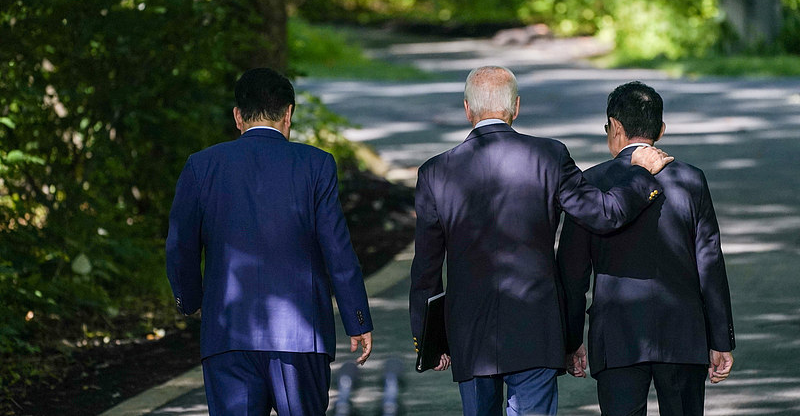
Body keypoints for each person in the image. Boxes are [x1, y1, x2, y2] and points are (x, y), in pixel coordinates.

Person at [409, 66, 673, 416]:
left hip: (470, 334)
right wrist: (640, 175)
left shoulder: (435, 172)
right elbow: (603, 214)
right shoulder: (550, 155)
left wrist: (430, 341)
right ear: (516, 107)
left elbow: (426, 269)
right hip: (536, 328)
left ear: (467, 109)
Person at [166, 67, 373, 416]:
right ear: (288, 113)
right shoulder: (316, 165)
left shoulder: (201, 166)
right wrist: (358, 320)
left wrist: (190, 300)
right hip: (300, 337)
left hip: (228, 333)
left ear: (238, 116)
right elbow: (337, 250)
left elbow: (180, 246)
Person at [557, 81, 735, 416]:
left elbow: (572, 272)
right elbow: (710, 263)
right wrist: (720, 340)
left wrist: (571, 340)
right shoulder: (692, 179)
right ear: (661, 129)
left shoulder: (591, 183)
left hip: (617, 335)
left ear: (616, 127)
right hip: (683, 334)